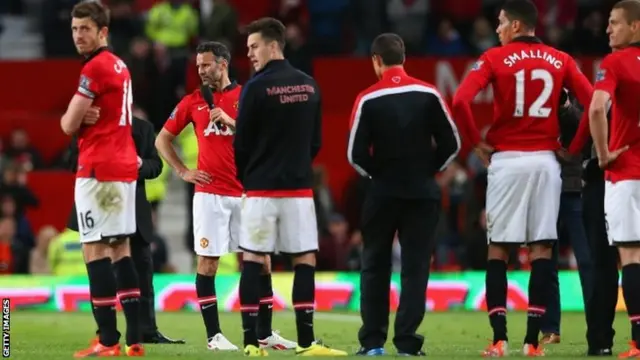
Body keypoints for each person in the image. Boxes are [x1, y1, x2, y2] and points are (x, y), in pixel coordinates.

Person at [451, 0, 593, 356]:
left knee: (499, 248)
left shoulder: (493, 59)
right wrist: (573, 148)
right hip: (547, 162)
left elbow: (460, 101)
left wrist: (477, 144)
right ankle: (533, 342)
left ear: (516, 26)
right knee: (542, 248)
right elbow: (594, 104)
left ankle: (500, 340)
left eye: (500, 23)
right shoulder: (561, 59)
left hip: (508, 161)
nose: (496, 29)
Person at [155, 41, 296, 351]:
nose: (201, 71)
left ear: (223, 64)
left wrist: (233, 122)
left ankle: (265, 332)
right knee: (208, 264)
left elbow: (269, 138)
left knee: (262, 263)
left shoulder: (248, 96)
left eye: (206, 65)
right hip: (209, 195)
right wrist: (182, 171)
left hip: (247, 193)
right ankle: (214, 337)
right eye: (198, 66)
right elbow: (162, 139)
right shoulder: (193, 101)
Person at [233, 17, 346, 357]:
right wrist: (296, 168)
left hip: (261, 190)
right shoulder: (309, 85)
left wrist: (249, 178)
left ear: (273, 45)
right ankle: (308, 343)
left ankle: (252, 344)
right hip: (298, 189)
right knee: (304, 260)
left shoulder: (254, 87)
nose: (250, 54)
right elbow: (315, 143)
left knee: (253, 258)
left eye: (254, 47)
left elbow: (241, 144)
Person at [346, 33, 460, 356]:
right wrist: (428, 170)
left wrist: (377, 174)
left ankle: (372, 343)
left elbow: (354, 155)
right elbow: (452, 144)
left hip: (382, 193)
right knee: (416, 267)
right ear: (404, 58)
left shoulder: (368, 98)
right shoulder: (429, 92)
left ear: (376, 61)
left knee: (374, 265)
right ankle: (408, 343)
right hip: (422, 193)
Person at [59, 1, 143, 357]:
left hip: (98, 167)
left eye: (86, 29)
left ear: (103, 31)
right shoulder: (120, 65)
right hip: (124, 166)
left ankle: (107, 340)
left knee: (94, 249)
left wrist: (77, 117)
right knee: (120, 248)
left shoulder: (93, 67)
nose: (79, 35)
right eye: (75, 29)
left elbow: (66, 124)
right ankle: (135, 339)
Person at [65, 116, 185, 345]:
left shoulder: (143, 128)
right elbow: (72, 161)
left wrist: (138, 164)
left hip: (132, 208)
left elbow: (156, 166)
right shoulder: (86, 125)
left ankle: (145, 331)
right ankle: (106, 333)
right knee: (99, 268)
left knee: (142, 270)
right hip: (95, 202)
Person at [583, 1, 640, 356]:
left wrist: (603, 155)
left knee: (630, 255)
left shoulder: (615, 63)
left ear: (636, 27)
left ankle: (637, 342)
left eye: (615, 23)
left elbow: (594, 108)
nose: (608, 29)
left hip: (626, 174)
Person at [540, 91, 594, 346]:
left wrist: (565, 106)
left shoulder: (578, 101)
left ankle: (597, 325)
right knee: (546, 260)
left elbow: (584, 126)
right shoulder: (536, 104)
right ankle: (550, 328)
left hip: (573, 187)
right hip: (544, 187)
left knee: (586, 259)